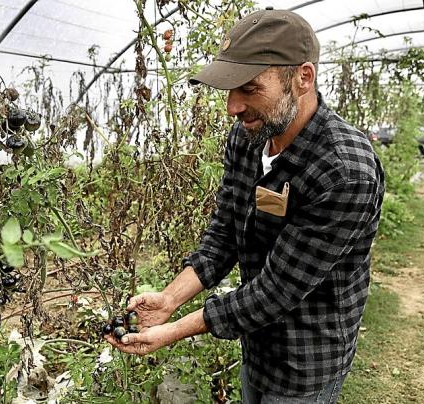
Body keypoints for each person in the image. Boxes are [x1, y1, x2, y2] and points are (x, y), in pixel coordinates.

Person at [105, 7, 385, 404]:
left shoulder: (343, 172)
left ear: (303, 78)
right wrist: (170, 298)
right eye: (229, 90)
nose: (232, 107)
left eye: (249, 88)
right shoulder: (250, 137)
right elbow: (226, 232)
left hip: (306, 359)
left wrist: (173, 330)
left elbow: (276, 290)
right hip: (256, 342)